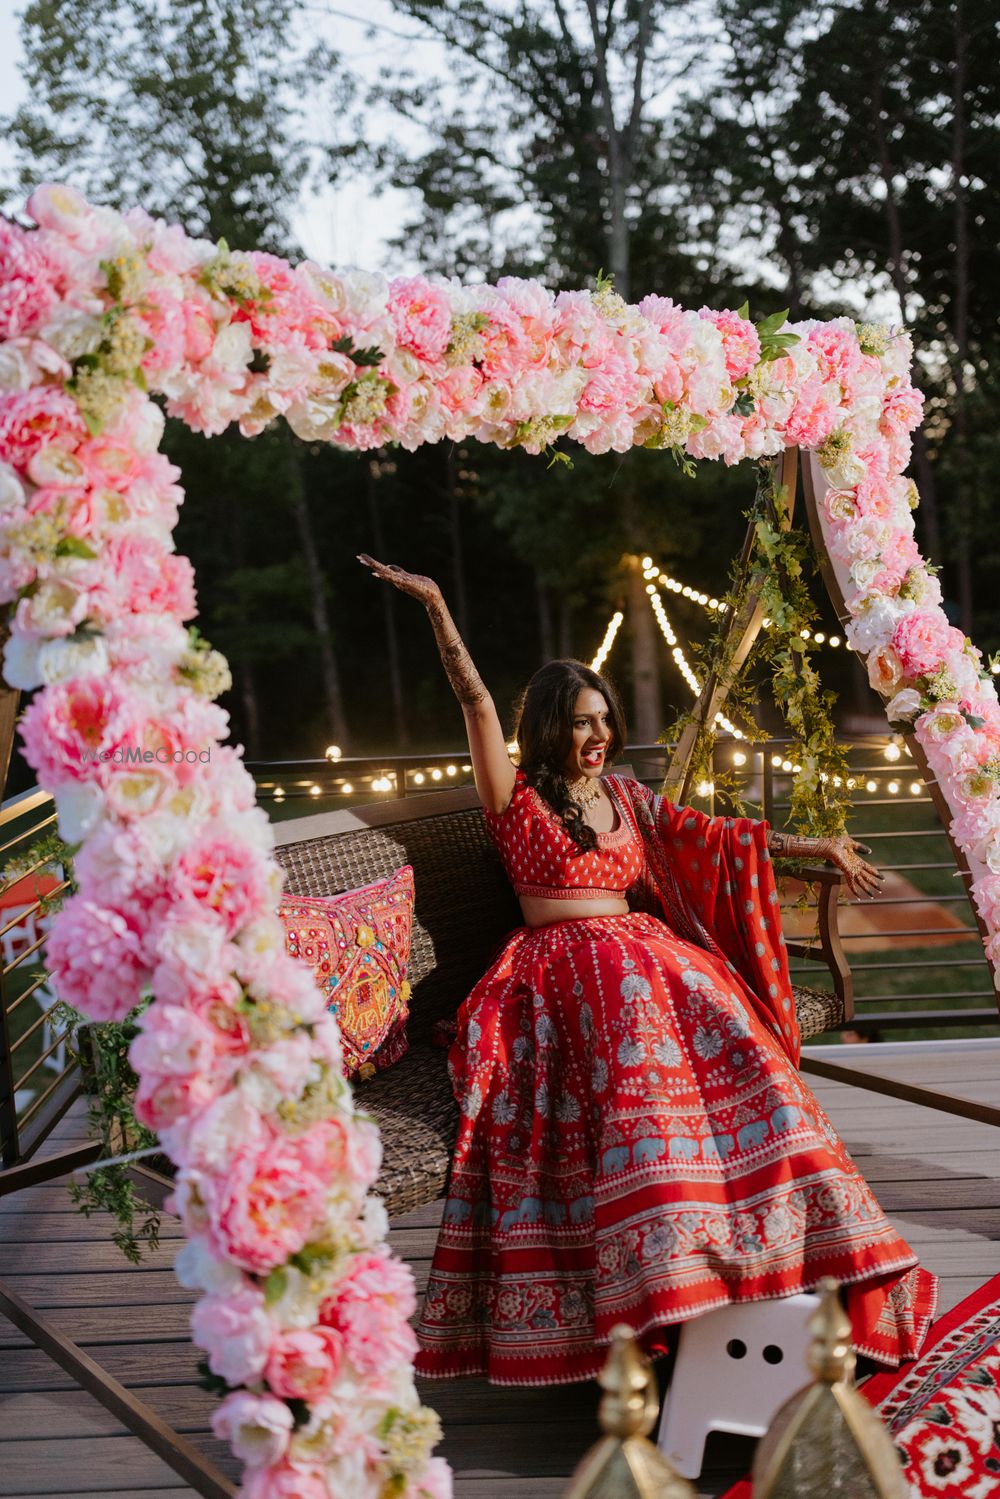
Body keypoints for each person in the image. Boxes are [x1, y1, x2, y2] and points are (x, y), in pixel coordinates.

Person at [359, 554, 938, 1389]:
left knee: (752, 1069)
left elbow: (717, 833)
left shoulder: (626, 796)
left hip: (656, 964)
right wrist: (440, 607)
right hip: (560, 975)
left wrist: (820, 846)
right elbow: (476, 700)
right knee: (642, 1092)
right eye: (580, 723)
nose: (596, 737)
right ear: (550, 727)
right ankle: (667, 1289)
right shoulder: (514, 796)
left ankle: (796, 1256)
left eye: (603, 720)